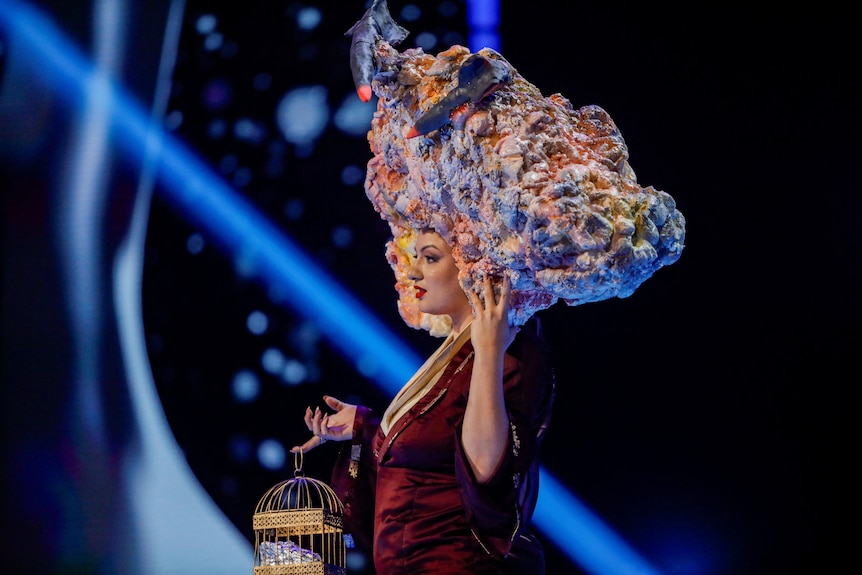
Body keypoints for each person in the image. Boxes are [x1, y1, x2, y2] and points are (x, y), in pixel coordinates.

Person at [292, 228, 555, 574]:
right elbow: (435, 453)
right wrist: (368, 428)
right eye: (416, 257)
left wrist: (490, 351)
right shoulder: (456, 346)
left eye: (430, 258)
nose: (413, 270)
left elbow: (489, 473)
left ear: (475, 266)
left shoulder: (508, 352)